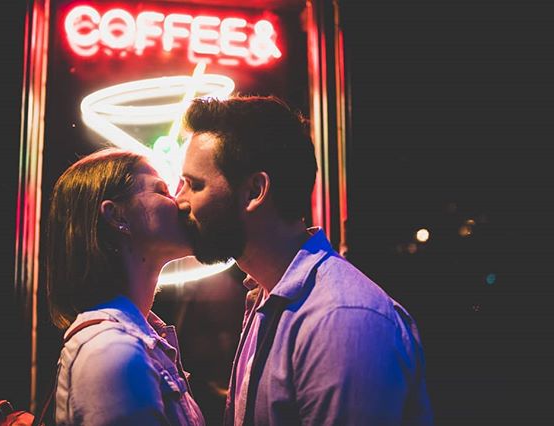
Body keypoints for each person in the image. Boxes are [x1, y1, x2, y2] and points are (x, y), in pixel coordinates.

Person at [176, 95, 433, 425]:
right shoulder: (269, 296)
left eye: (194, 185)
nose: (179, 200)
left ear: (255, 191)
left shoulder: (341, 319)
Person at [46, 148, 205, 425]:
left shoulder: (138, 338)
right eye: (163, 190)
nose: (180, 202)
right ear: (118, 217)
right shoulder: (112, 351)